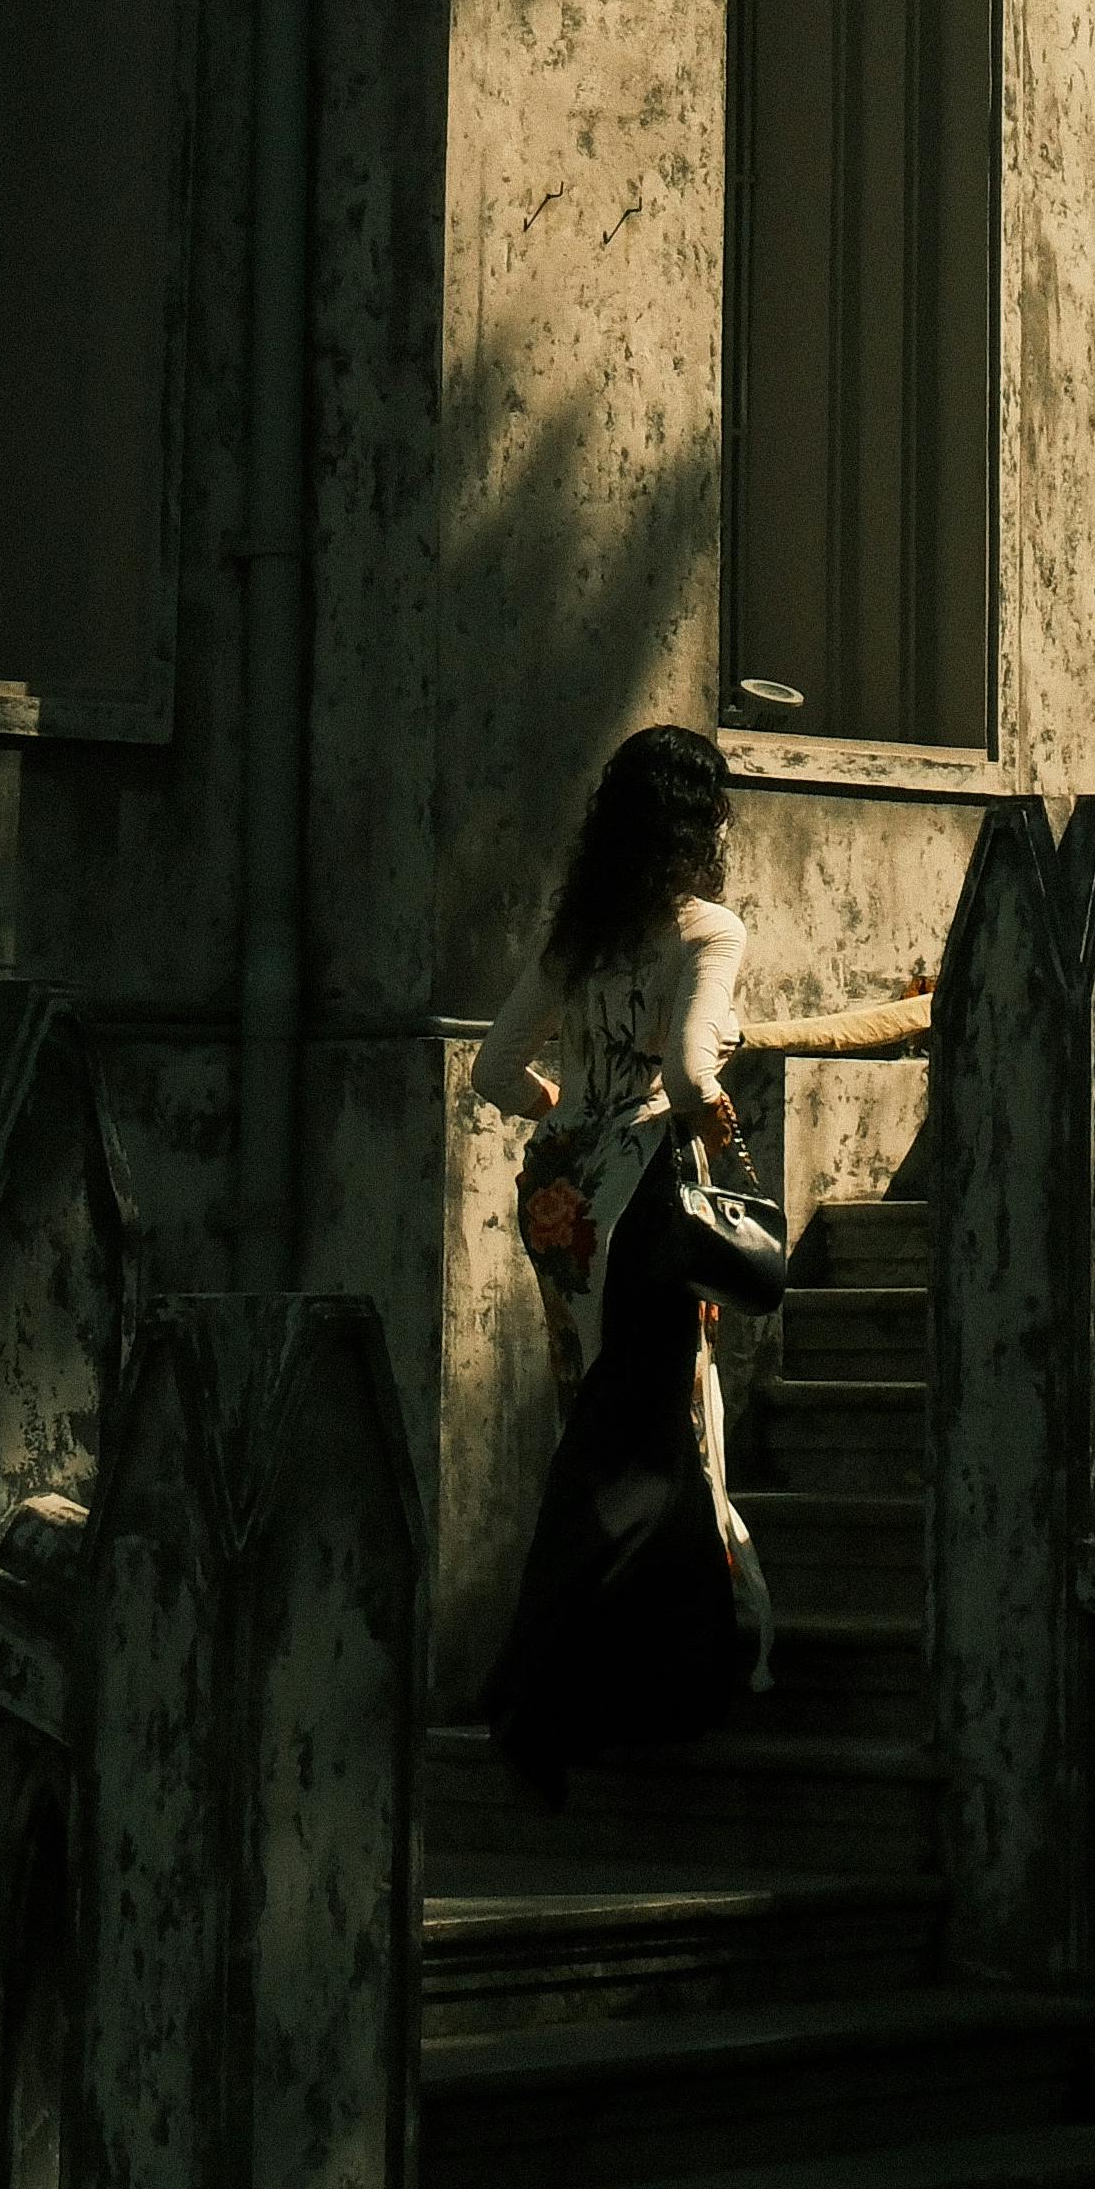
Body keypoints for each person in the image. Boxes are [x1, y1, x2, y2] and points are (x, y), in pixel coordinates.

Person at [469, 721, 773, 1806]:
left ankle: (629, 1689)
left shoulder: (580, 937)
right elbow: (688, 1077)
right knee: (655, 1441)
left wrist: (566, 1111)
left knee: (600, 1420)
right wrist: (720, 1129)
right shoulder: (708, 931)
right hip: (646, 1209)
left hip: (563, 1206)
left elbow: (495, 1071)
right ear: (700, 824)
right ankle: (553, 1696)